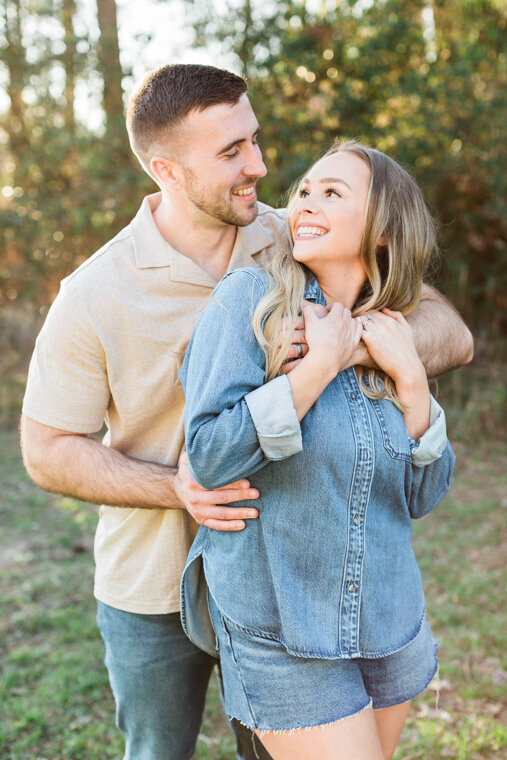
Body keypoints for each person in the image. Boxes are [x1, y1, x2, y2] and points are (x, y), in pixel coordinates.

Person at [20, 63, 471, 760]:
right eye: (231, 152)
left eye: (254, 141)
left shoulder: (294, 236)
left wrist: (356, 352)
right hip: (154, 584)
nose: (258, 166)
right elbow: (46, 448)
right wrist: (178, 486)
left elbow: (438, 320)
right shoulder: (94, 293)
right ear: (166, 169)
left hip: (291, 574)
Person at [180, 140, 458, 760]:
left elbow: (422, 495)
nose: (304, 202)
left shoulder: (393, 331)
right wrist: (314, 371)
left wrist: (412, 384)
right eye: (305, 189)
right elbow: (209, 453)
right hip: (281, 625)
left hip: (386, 620)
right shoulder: (247, 304)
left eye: (333, 193)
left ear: (384, 231)